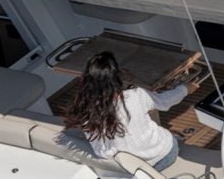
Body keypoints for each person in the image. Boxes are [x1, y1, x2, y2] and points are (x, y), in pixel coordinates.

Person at [63, 51, 199, 171]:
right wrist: (186, 88)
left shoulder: (83, 107)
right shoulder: (134, 95)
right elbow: (164, 102)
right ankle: (176, 141)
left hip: (123, 166)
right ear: (115, 76)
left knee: (139, 117)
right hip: (159, 158)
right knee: (167, 136)